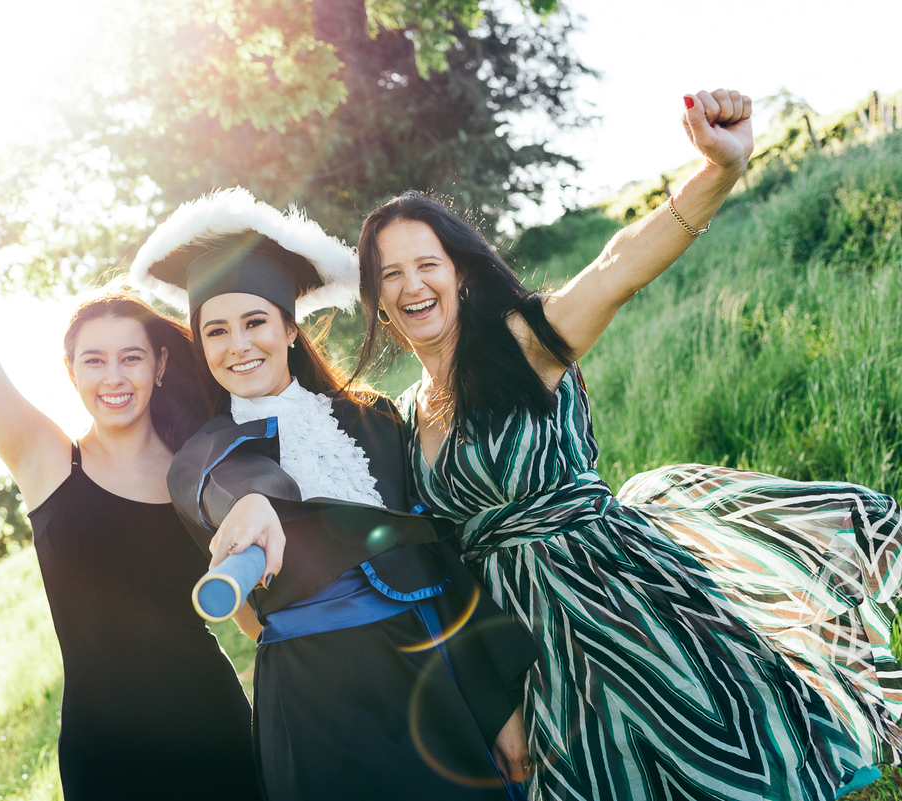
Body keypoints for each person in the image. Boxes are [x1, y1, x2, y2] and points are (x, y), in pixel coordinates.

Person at [353, 88, 902, 801]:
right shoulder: (401, 415)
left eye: (424, 263)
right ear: (377, 297)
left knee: (714, 769)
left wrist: (719, 172)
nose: (411, 285)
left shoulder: (524, 344)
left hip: (623, 599)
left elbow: (618, 265)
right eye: (390, 273)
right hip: (531, 648)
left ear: (458, 270)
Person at [0, 140, 261, 800]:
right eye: (94, 360)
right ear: (70, 371)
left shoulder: (200, 470)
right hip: (104, 752)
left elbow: (251, 615)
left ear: (159, 365)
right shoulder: (43, 459)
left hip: (215, 733)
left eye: (130, 358)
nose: (113, 377)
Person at [128, 188, 536, 800]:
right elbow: (240, 492)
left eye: (255, 322)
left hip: (435, 677)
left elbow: (440, 564)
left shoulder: (375, 420)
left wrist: (496, 707)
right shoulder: (203, 459)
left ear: (290, 328)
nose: (238, 345)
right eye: (216, 332)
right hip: (318, 705)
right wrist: (256, 508)